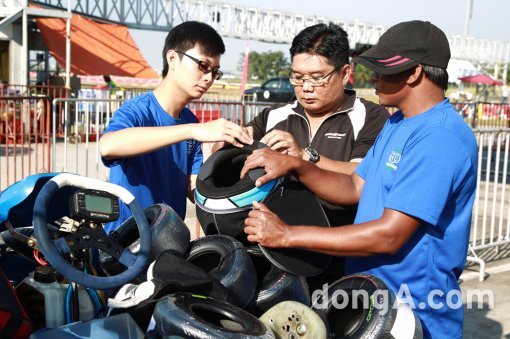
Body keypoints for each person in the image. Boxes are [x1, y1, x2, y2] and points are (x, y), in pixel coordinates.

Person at [241, 20, 478, 339]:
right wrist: (296, 165)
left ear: (414, 73)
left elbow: (389, 236)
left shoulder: (440, 137)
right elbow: (355, 186)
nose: (374, 77)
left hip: (414, 315)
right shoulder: (398, 124)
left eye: (383, 69)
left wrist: (287, 235)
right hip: (367, 303)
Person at [99, 21, 252, 233]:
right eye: (203, 66)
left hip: (167, 243)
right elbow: (108, 146)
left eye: (215, 71)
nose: (208, 78)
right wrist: (192, 131)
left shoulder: (190, 120)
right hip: (125, 247)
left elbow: (193, 188)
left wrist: (226, 159)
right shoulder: (137, 111)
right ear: (172, 58)